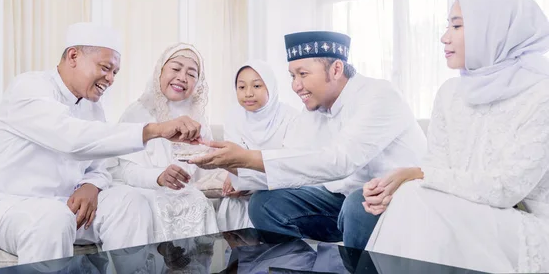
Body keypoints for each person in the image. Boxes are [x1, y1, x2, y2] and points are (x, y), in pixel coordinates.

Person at [0, 22, 203, 264]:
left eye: (115, 72)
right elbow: (71, 138)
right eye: (105, 68)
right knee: (54, 219)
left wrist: (91, 185)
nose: (110, 79)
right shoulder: (30, 87)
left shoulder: (93, 107)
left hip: (66, 206)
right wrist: (155, 130)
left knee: (130, 201)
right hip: (7, 204)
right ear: (73, 56)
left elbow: (100, 167)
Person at [363, 0, 549, 273]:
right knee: (410, 197)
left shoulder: (542, 94)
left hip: (523, 225)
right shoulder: (450, 93)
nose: (444, 37)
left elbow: (506, 189)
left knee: (415, 199)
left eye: (457, 26)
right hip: (461, 211)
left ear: (493, 30)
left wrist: (416, 175)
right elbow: (436, 168)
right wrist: (397, 186)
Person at [190, 31, 427, 249]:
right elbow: (291, 159)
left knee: (358, 204)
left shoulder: (378, 95)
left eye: (303, 74)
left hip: (394, 198)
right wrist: (230, 164)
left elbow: (340, 160)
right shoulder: (314, 110)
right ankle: (297, 266)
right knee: (265, 203)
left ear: (335, 69)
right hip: (341, 199)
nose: (295, 86)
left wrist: (247, 157)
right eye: (292, 76)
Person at [108, 43, 219, 242]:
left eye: (192, 74)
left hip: (187, 196)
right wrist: (158, 176)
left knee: (198, 202)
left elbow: (207, 172)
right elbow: (124, 171)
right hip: (146, 192)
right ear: (159, 72)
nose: (182, 77)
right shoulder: (137, 113)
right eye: (175, 69)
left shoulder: (199, 119)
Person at [217, 60, 298, 231]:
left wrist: (242, 181)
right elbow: (233, 159)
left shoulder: (290, 117)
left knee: (260, 201)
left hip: (276, 192)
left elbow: (289, 169)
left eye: (256, 86)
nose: (248, 93)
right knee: (232, 203)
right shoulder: (233, 116)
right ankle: (235, 256)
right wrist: (234, 178)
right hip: (243, 190)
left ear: (270, 87)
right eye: (241, 87)